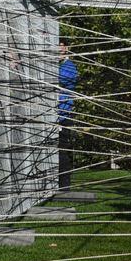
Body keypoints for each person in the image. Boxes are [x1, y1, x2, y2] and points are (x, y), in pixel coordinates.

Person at [57, 40, 78, 191]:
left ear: (66, 49)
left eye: (61, 47)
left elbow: (58, 78)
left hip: (63, 115)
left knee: (62, 150)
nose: (58, 50)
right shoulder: (59, 65)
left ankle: (64, 186)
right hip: (54, 115)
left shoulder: (69, 66)